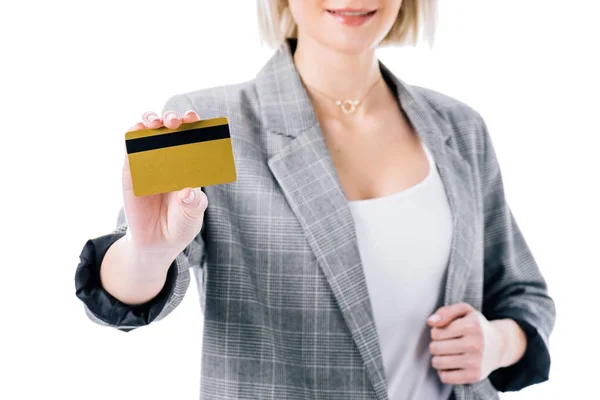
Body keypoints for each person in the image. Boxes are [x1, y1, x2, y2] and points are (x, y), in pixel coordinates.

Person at [74, 0, 556, 399]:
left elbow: (522, 293)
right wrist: (150, 253)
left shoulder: (458, 127)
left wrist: (498, 342)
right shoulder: (210, 123)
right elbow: (128, 288)